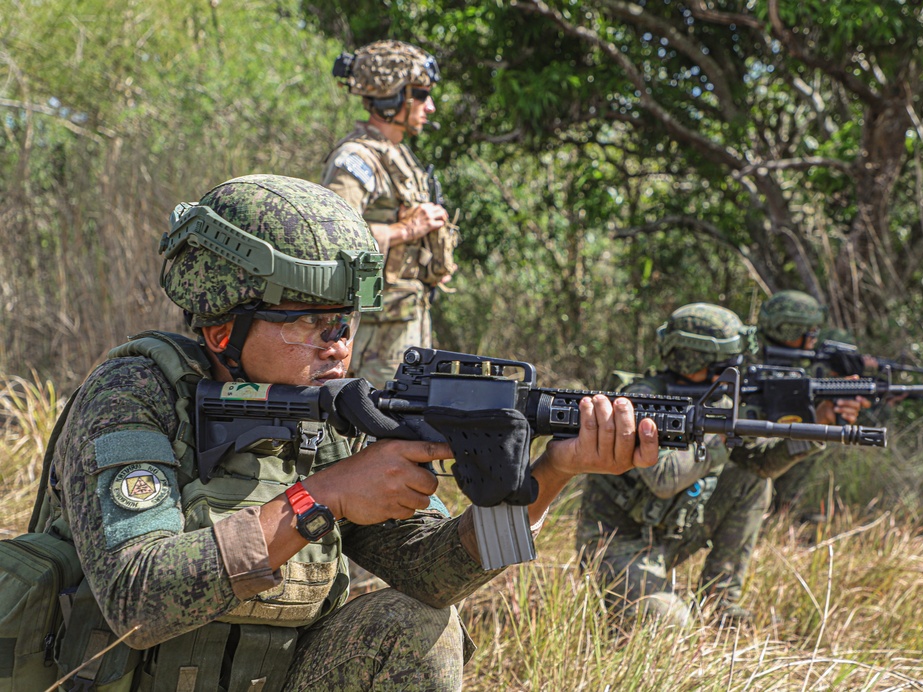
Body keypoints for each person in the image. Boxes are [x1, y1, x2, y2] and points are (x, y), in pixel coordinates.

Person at [38, 175, 658, 690]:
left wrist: (552, 473)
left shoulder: (330, 414)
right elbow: (137, 601)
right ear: (224, 328)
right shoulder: (135, 394)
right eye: (310, 322)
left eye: (346, 322)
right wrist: (322, 497)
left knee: (419, 625)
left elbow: (432, 574)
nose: (338, 345)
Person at [576, 303, 866, 626]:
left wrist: (818, 425)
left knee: (752, 481)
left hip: (669, 536)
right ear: (696, 358)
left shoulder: (718, 399)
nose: (734, 368)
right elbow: (663, 478)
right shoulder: (641, 399)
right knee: (670, 622)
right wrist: (729, 431)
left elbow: (760, 464)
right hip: (614, 547)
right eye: (726, 362)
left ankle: (719, 605)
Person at [322, 39, 457, 388]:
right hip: (372, 338)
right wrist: (407, 230)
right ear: (393, 97)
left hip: (405, 323)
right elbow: (334, 239)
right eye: (422, 95)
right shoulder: (356, 159)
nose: (431, 107)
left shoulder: (398, 157)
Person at [756, 291, 873, 516]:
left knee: (813, 437)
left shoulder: (798, 360)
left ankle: (783, 510)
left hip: (763, 461)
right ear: (787, 330)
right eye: (810, 331)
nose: (814, 337)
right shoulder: (753, 358)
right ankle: (776, 510)